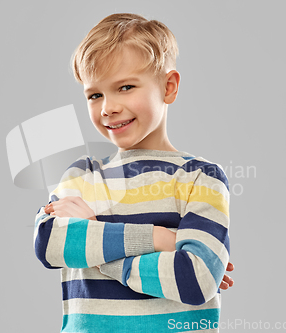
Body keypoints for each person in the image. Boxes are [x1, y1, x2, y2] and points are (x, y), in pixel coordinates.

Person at [34, 13, 233, 332]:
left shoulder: (199, 177)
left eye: (125, 87)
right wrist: (161, 238)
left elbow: (195, 280)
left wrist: (95, 243)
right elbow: (49, 243)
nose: (107, 107)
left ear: (168, 87)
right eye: (95, 94)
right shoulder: (81, 176)